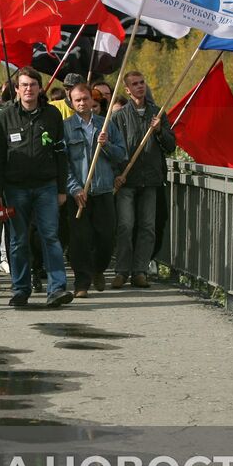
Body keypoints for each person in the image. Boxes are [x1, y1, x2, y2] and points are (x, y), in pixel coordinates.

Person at [0, 67, 74, 308]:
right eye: (24, 85)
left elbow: (60, 153)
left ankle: (57, 288)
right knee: (17, 240)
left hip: (46, 186)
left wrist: (61, 188)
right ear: (16, 89)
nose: (28, 89)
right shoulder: (6, 116)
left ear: (40, 88)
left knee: (50, 236)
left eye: (33, 85)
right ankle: (21, 289)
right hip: (15, 188)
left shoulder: (52, 115)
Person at [112, 70, 176, 289]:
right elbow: (113, 149)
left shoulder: (158, 113)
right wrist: (117, 174)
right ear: (127, 90)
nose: (140, 86)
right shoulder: (119, 117)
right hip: (127, 180)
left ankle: (140, 271)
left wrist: (159, 131)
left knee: (148, 227)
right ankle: (122, 271)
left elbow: (171, 146)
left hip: (151, 180)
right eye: (134, 84)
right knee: (126, 226)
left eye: (142, 83)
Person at [64, 81, 127, 297]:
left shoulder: (106, 124)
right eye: (77, 100)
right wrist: (73, 188)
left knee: (106, 237)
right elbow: (63, 163)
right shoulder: (66, 127)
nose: (82, 103)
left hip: (103, 190)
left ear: (92, 100)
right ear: (71, 103)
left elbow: (122, 155)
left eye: (85, 99)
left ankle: (98, 269)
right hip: (79, 194)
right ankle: (82, 282)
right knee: (79, 240)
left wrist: (107, 144)